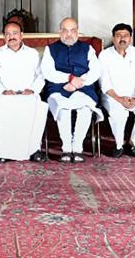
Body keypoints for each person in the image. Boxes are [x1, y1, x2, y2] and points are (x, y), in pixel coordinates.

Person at [41, 17, 102, 163]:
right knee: (63, 108)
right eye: (65, 30)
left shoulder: (88, 48)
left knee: (85, 108)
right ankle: (67, 148)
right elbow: (48, 72)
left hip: (83, 88)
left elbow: (95, 71)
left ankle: (78, 147)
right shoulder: (50, 49)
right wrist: (69, 78)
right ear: (60, 32)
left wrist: (78, 83)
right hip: (58, 88)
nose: (69, 34)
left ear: (77, 31)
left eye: (72, 30)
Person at [0, 21, 48, 163]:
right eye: (8, 34)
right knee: (6, 107)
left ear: (22, 35)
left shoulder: (32, 53)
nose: (11, 37)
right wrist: (3, 91)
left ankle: (34, 150)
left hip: (28, 95)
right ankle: (2, 152)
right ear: (4, 37)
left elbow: (40, 76)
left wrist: (33, 90)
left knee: (37, 107)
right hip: (6, 96)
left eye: (15, 33)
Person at [98, 23, 135, 158]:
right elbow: (104, 83)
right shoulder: (104, 55)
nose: (122, 39)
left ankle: (133, 142)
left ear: (130, 38)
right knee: (118, 114)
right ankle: (119, 145)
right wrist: (119, 99)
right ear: (113, 38)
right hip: (112, 95)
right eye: (118, 35)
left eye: (126, 36)